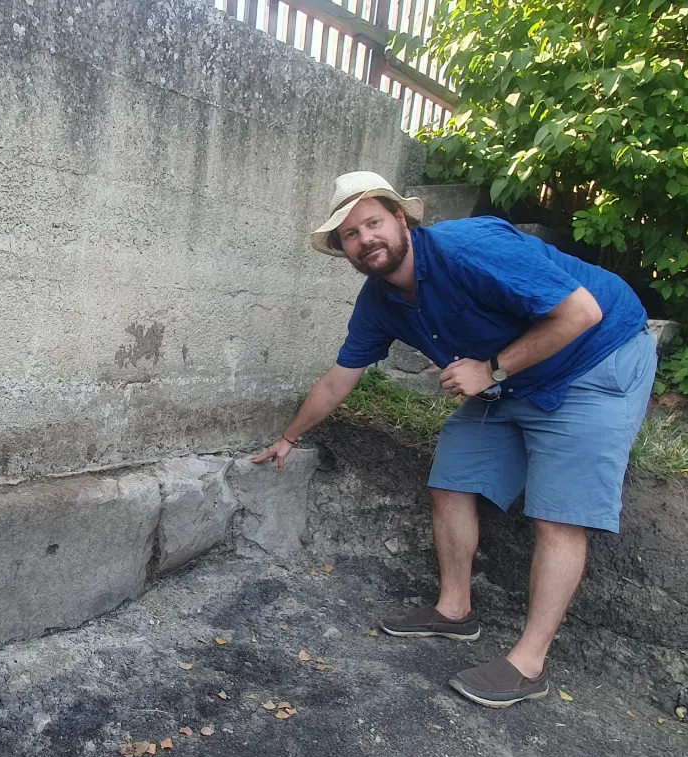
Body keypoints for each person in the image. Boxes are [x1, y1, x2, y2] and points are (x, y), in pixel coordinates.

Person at [252, 171, 656, 708]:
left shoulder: (471, 247)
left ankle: (529, 663)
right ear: (342, 249)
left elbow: (582, 313)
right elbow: (338, 380)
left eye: (372, 222)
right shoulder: (379, 301)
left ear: (402, 219)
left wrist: (491, 369)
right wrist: (288, 437)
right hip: (513, 374)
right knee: (452, 481)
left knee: (558, 515)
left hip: (593, 359)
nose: (365, 239)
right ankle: (454, 610)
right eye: (349, 234)